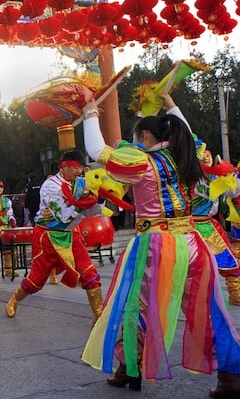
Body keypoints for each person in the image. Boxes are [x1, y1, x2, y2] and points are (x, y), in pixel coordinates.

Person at [80, 94, 240, 397]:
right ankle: (232, 375)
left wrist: (89, 111)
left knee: (132, 306)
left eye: (136, 136)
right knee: (209, 311)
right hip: (193, 243)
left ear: (144, 136)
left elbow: (97, 150)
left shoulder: (143, 161)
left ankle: (130, 365)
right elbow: (185, 129)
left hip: (156, 245)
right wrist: (170, 103)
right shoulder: (185, 155)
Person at [4, 150, 104, 324]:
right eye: (76, 168)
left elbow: (90, 212)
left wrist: (100, 198)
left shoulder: (80, 183)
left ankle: (99, 316)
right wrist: (86, 202)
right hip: (48, 238)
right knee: (36, 281)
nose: (79, 172)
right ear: (64, 166)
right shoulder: (50, 186)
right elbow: (63, 216)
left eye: (81, 168)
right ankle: (15, 299)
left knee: (90, 272)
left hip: (71, 235)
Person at [193, 149, 240, 305]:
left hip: (208, 224)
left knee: (229, 261)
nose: (206, 158)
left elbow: (234, 192)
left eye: (209, 155)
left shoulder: (215, 177)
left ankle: (235, 294)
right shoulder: (192, 180)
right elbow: (210, 193)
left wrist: (228, 174)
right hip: (191, 226)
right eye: (202, 155)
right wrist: (223, 176)